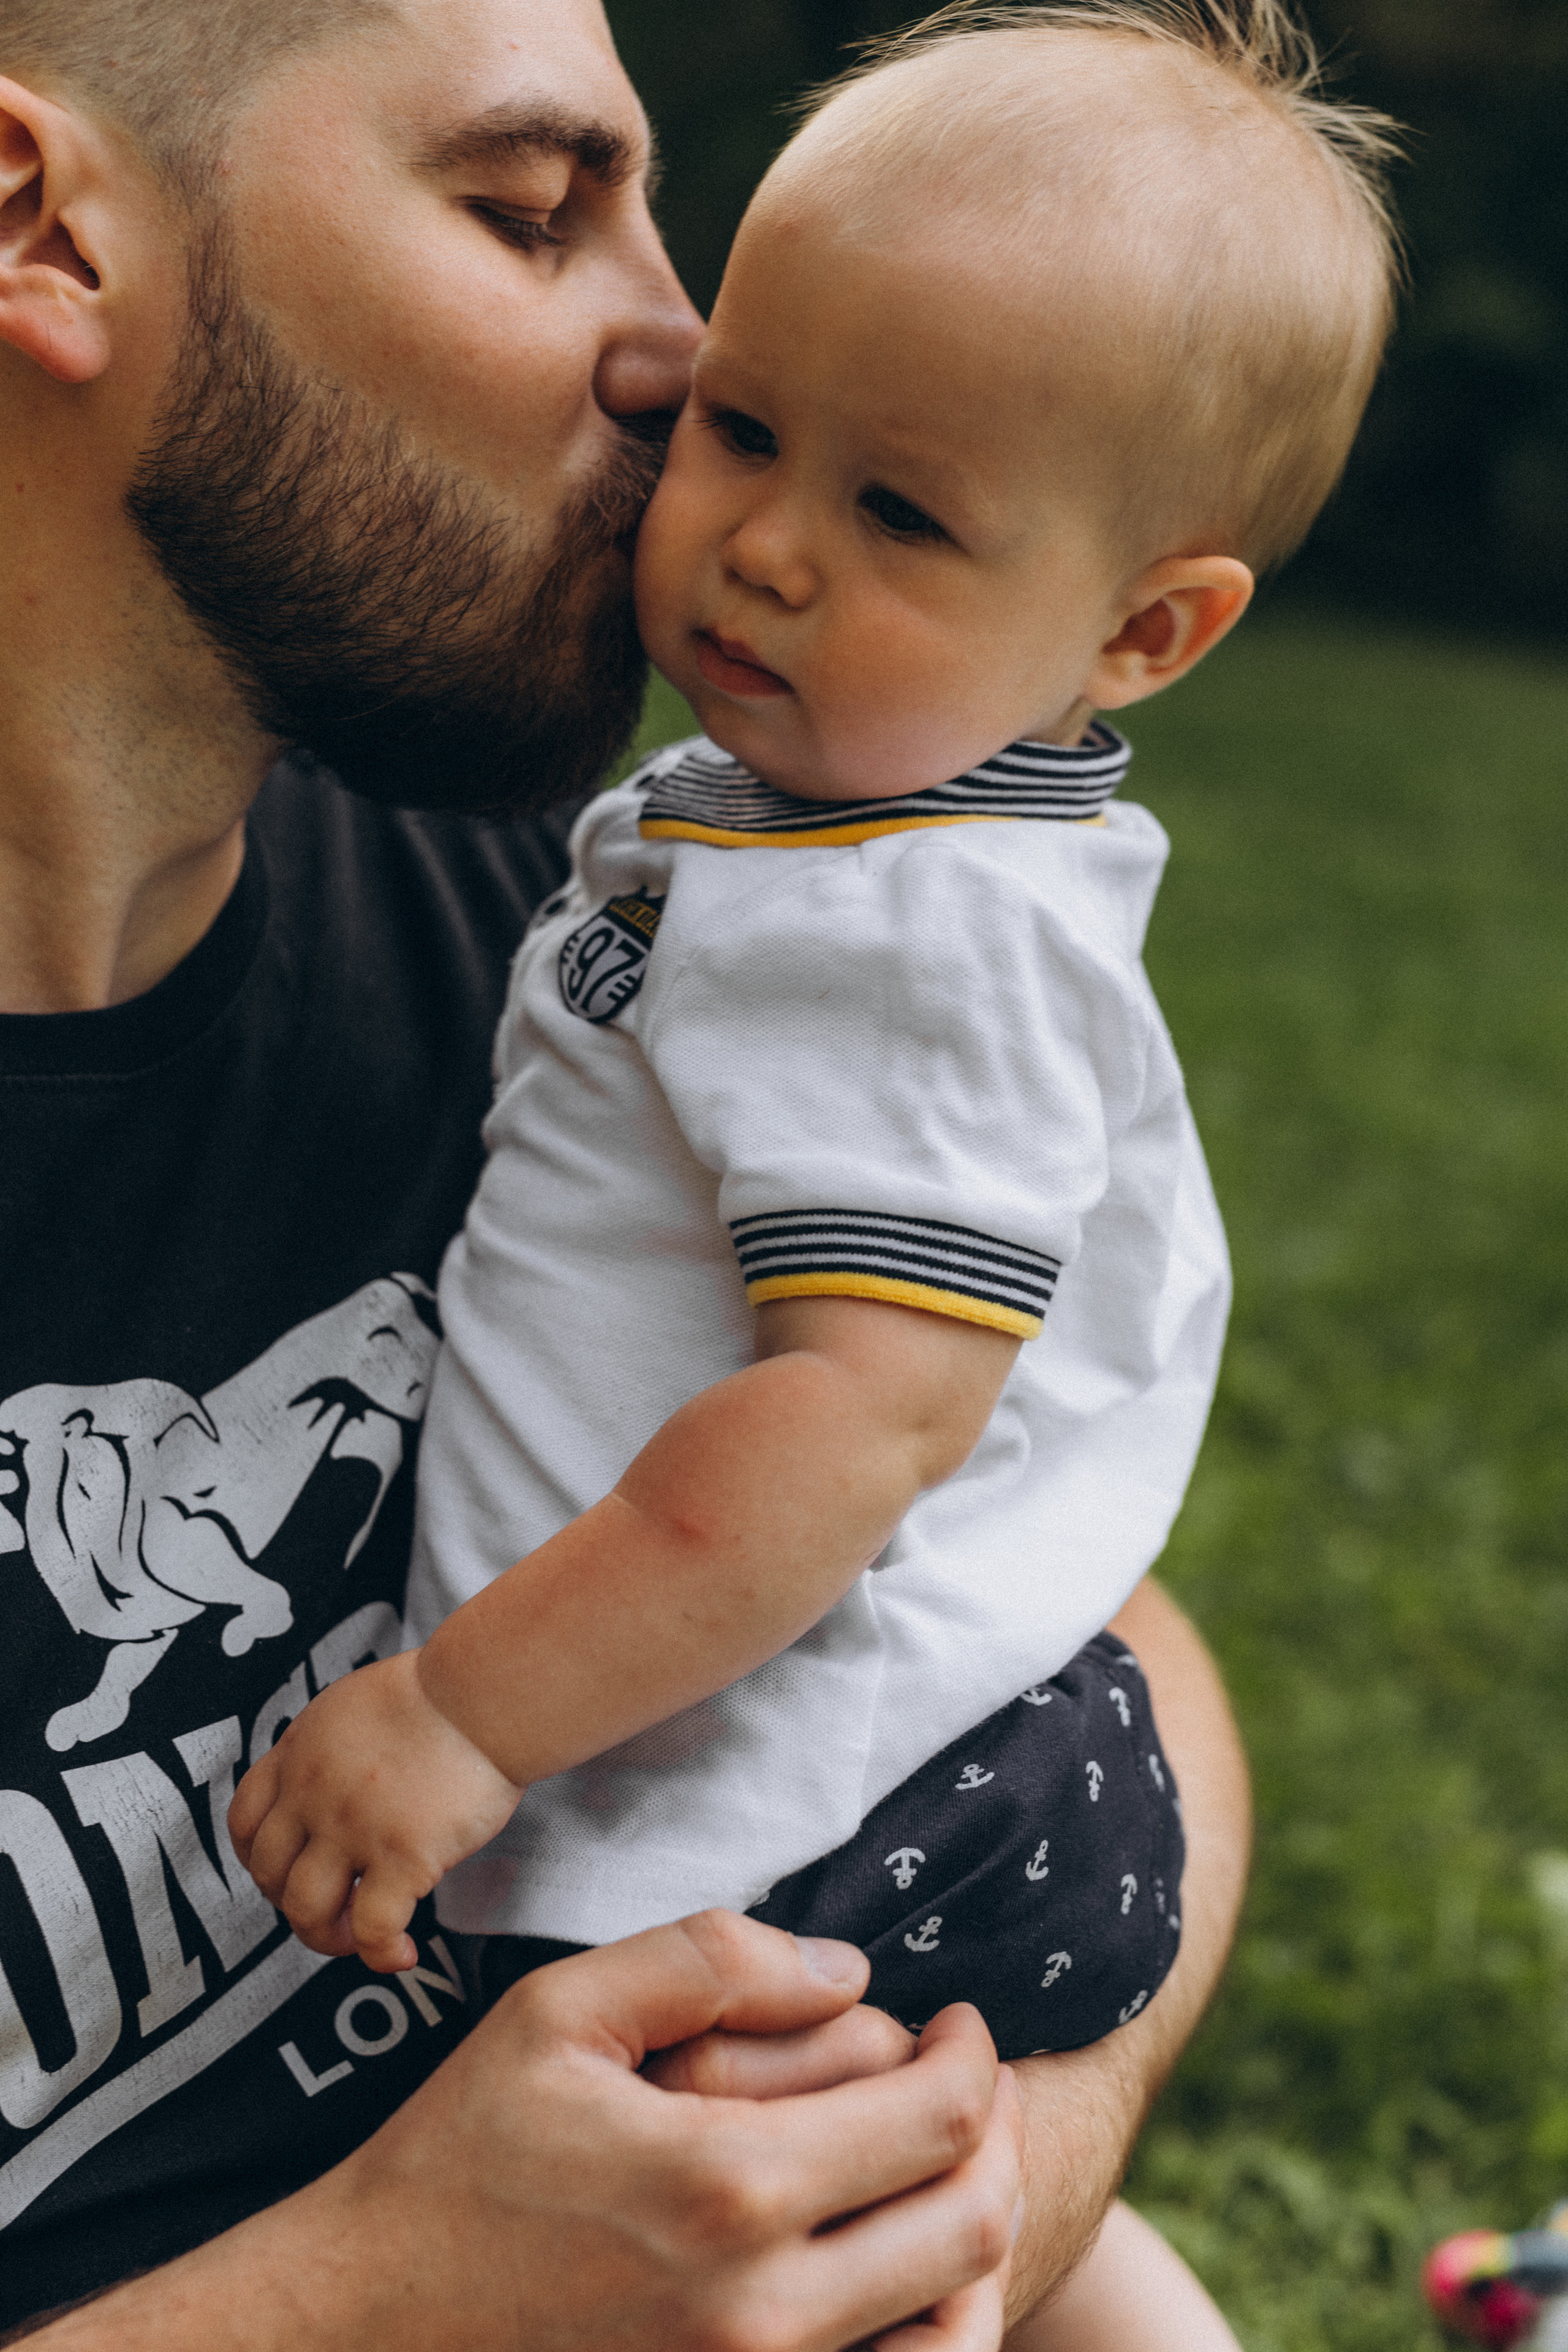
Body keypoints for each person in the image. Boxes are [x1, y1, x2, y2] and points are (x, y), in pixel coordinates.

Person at [0, 0, 1251, 2341]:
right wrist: (381, 2297)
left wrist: (952, 2193)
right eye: (530, 208)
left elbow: (1069, 1625)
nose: (681, 356)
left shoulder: (570, 906)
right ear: (39, 225)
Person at [228, 0, 1396, 2155]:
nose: (765, 542)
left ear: (1147, 633)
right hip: (737, 1758)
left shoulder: (916, 933)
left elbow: (856, 1419)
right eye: (747, 428)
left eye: (902, 515)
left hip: (782, 1815)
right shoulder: (814, 822)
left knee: (780, 2253)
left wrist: (464, 1719)